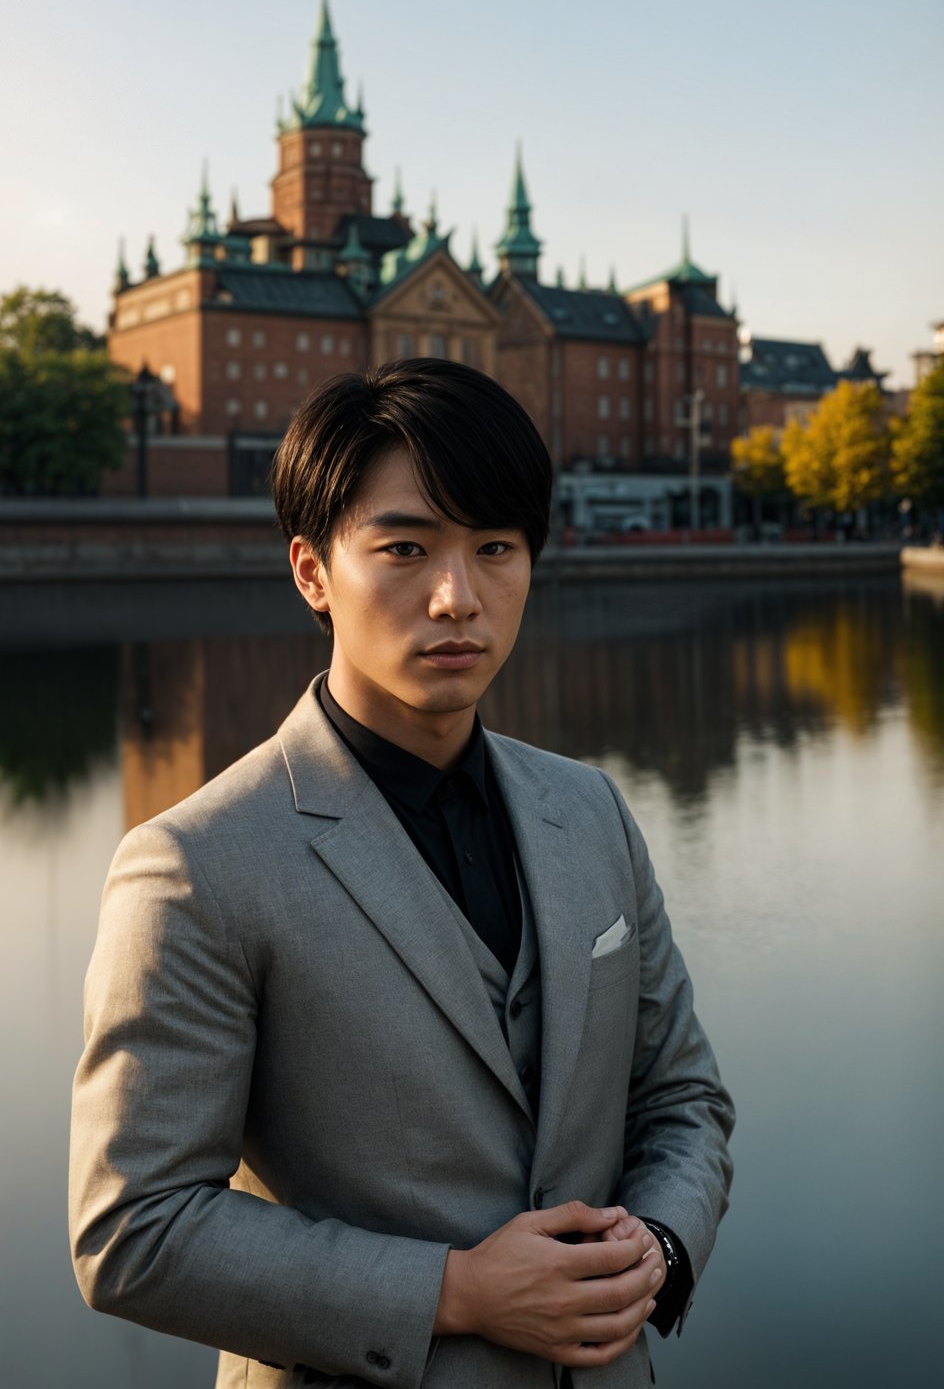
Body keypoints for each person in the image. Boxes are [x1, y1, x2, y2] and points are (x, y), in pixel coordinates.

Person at [70, 357, 733, 1389]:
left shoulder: (588, 808)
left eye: (495, 549)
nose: (457, 596)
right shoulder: (193, 866)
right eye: (405, 547)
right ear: (311, 571)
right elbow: (133, 1229)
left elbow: (682, 1095)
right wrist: (453, 1291)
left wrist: (659, 1247)